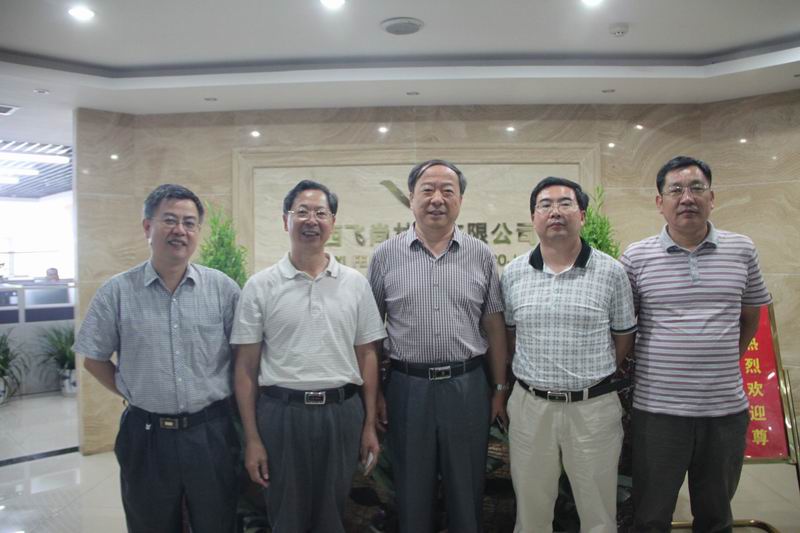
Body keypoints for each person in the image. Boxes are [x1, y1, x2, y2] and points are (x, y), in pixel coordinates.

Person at [73, 184, 241, 533]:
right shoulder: (117, 292)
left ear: (198, 231)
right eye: (170, 220)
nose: (180, 230)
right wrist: (131, 389)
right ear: (148, 227)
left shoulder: (222, 289)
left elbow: (242, 356)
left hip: (211, 433)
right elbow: (94, 358)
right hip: (145, 435)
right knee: (149, 524)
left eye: (189, 223)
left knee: (218, 523)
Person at [621, 156, 771, 533]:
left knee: (716, 515)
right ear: (660, 202)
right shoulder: (636, 257)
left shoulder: (742, 250)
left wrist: (723, 359)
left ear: (712, 197)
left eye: (696, 188)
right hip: (658, 412)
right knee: (650, 515)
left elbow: (750, 316)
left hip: (724, 411)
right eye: (676, 190)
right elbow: (625, 327)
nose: (687, 198)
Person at [232, 180, 385, 533]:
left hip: (341, 414)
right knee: (286, 516)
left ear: (333, 222)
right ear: (285, 221)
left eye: (320, 213)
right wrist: (252, 438)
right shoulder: (261, 285)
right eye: (302, 212)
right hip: (281, 415)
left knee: (334, 515)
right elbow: (245, 367)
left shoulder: (354, 283)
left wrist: (368, 424)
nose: (311, 220)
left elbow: (367, 355)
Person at [367, 159, 509, 533]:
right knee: (412, 493)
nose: (437, 199)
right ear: (411, 197)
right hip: (407, 388)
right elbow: (370, 332)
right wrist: (376, 392)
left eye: (448, 190)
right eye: (427, 189)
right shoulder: (385, 256)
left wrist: (498, 388)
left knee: (467, 489)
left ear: (460, 199)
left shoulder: (480, 254)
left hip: (467, 386)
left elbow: (494, 326)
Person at [501, 176, 636, 533]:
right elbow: (511, 335)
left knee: (598, 513)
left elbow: (624, 336)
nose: (555, 212)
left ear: (582, 215)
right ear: (533, 217)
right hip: (531, 407)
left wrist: (592, 374)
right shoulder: (513, 273)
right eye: (545, 205)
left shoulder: (611, 272)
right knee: (531, 512)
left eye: (565, 204)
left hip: (593, 409)